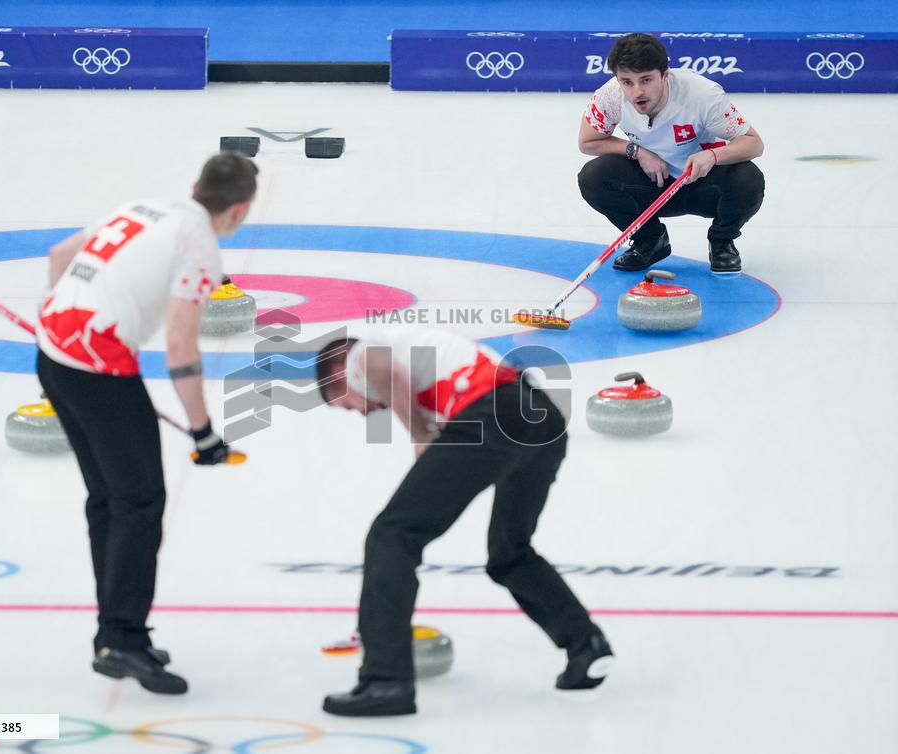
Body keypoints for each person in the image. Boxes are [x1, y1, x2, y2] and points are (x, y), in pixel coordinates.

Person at [35, 152, 258, 694]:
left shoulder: (143, 206)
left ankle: (114, 632)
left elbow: (59, 255)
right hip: (97, 365)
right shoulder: (200, 242)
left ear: (194, 184)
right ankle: (123, 640)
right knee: (138, 503)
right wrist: (203, 432)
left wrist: (55, 318)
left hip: (54, 350)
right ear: (239, 212)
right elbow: (181, 344)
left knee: (110, 500)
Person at [315, 328, 613, 716]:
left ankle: (385, 681)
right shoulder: (424, 365)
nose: (361, 411)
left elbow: (376, 365)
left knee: (392, 535)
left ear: (337, 373)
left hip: (492, 411)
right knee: (510, 553)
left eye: (345, 405)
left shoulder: (359, 356)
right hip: (541, 419)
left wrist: (419, 436)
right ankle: (586, 647)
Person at [578, 32, 765, 273]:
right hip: (653, 185)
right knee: (594, 176)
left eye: (646, 80)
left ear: (665, 75)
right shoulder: (610, 96)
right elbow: (587, 142)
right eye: (627, 82)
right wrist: (637, 151)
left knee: (748, 179)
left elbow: (753, 143)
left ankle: (721, 241)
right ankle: (650, 239)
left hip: (703, 183)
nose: (637, 93)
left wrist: (713, 156)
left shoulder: (701, 95)